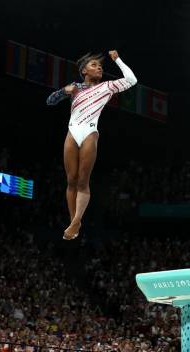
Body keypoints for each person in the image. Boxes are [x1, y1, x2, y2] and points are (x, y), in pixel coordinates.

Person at [46, 50, 137, 239]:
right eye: (94, 65)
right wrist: (64, 91)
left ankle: (77, 220)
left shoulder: (107, 87)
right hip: (72, 132)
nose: (99, 68)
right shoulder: (75, 87)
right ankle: (74, 223)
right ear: (84, 71)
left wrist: (118, 60)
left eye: (101, 66)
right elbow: (50, 101)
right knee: (71, 180)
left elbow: (131, 80)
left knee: (82, 180)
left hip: (89, 132)